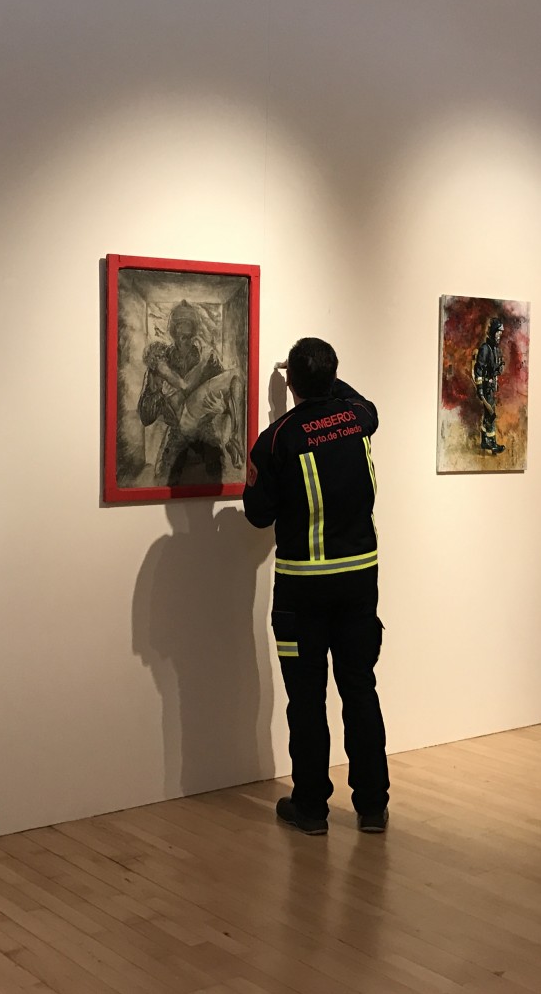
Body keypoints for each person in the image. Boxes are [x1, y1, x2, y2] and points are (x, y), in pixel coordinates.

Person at [243, 337, 388, 835]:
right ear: (333, 378)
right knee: (360, 688)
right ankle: (372, 806)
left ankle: (311, 809)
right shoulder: (358, 417)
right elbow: (353, 400)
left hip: (302, 587)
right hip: (358, 579)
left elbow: (259, 515)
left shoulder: (276, 439)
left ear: (292, 383)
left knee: (307, 699)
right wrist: (321, 381)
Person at [137, 301, 244, 486]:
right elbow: (145, 416)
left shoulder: (208, 359)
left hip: (206, 434)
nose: (182, 341)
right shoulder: (161, 361)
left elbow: (232, 397)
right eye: (178, 335)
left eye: (186, 336)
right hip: (176, 435)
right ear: (172, 331)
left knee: (214, 483)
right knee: (164, 483)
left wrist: (223, 408)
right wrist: (160, 394)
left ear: (194, 333)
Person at [474, 316, 506, 455]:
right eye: (498, 331)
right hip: (486, 387)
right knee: (490, 414)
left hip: (492, 387)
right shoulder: (485, 348)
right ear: (493, 331)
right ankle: (490, 443)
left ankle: (485, 441)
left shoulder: (494, 349)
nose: (500, 334)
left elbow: (497, 366)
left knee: (489, 415)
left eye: (501, 332)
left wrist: (500, 368)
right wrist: (480, 390)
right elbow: (478, 369)